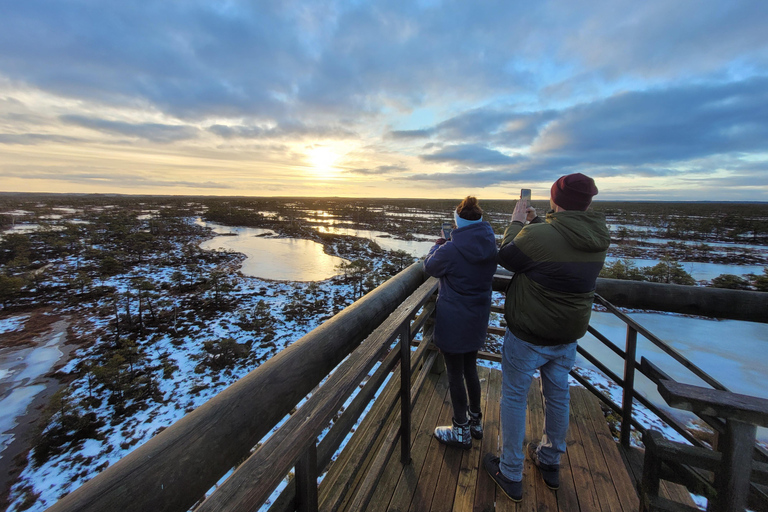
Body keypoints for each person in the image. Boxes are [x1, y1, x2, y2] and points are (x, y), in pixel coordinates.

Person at [483, 173, 610, 501]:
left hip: (530, 332)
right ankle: (550, 460)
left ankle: (511, 471)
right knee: (558, 396)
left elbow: (507, 257)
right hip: (567, 334)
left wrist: (516, 222)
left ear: (555, 199)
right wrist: (537, 222)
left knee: (514, 397)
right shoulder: (599, 234)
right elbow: (559, 244)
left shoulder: (540, 235)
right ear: (588, 202)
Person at [423, 196, 498, 449]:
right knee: (470, 369)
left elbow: (430, 267)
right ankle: (475, 421)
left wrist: (438, 244)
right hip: (477, 318)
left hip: (454, 320)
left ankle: (460, 430)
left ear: (457, 222)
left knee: (455, 374)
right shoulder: (490, 244)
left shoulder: (451, 249)